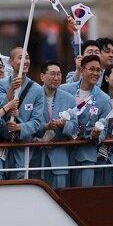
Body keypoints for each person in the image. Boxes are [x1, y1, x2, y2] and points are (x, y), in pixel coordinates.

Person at [0, 47, 44, 179]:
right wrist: (11, 90)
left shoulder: (37, 90)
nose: (25, 61)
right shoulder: (1, 85)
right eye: (21, 58)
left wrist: (19, 127)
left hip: (23, 146)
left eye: (27, 58)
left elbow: (37, 122)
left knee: (20, 179)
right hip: (2, 144)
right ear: (10, 62)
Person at [60, 55, 109, 187]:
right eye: (91, 69)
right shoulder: (64, 90)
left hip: (86, 154)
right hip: (63, 151)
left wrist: (97, 134)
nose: (95, 73)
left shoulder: (104, 99)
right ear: (82, 70)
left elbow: (105, 128)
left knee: (83, 195)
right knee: (60, 193)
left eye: (98, 70)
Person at [37, 61, 76, 189]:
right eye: (52, 74)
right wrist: (45, 126)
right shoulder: (33, 95)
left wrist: (64, 125)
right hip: (36, 156)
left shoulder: (69, 99)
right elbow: (25, 123)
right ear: (42, 76)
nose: (56, 78)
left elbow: (76, 129)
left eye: (59, 74)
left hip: (59, 159)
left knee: (59, 195)